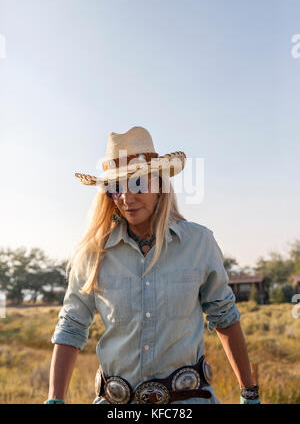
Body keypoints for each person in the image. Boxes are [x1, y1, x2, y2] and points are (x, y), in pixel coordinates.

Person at [45, 126, 260, 405]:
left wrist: (249, 394)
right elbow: (72, 326)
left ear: (160, 184)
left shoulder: (199, 243)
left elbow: (225, 317)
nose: (125, 198)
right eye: (115, 188)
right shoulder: (93, 253)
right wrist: (54, 400)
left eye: (137, 183)